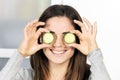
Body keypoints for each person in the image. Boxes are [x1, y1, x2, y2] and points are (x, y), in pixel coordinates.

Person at [0, 5, 111, 80]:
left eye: (66, 36)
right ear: (40, 38)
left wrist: (93, 52)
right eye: (50, 35)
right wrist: (21, 53)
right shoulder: (25, 77)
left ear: (78, 38)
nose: (58, 44)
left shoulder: (91, 77)